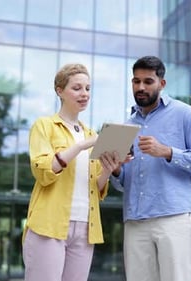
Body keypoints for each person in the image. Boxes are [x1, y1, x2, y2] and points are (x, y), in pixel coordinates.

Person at [110, 56, 191, 281]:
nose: (140, 87)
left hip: (174, 218)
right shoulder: (126, 126)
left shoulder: (185, 114)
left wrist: (168, 152)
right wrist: (117, 171)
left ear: (162, 83)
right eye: (136, 81)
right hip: (135, 221)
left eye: (148, 81)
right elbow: (122, 183)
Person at [22, 63, 119, 281]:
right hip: (49, 224)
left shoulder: (91, 133)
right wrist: (81, 146)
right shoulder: (44, 126)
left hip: (85, 228)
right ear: (59, 91)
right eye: (77, 88)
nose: (84, 94)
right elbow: (43, 171)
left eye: (87, 88)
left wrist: (108, 169)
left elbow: (96, 186)